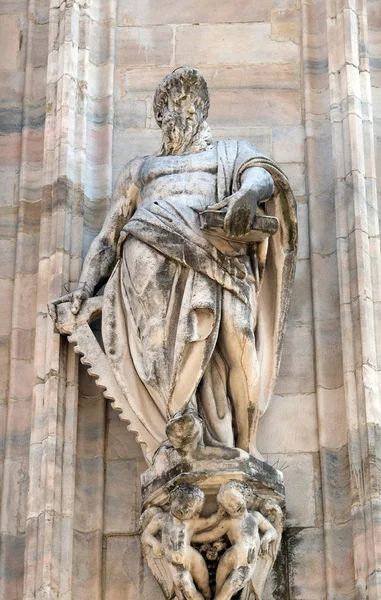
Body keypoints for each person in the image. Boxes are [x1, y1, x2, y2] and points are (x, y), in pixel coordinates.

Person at [52, 67, 297, 463]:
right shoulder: (140, 168)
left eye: (187, 107)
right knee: (166, 353)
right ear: (159, 117)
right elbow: (110, 235)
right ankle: (180, 429)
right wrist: (85, 289)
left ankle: (246, 444)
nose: (177, 118)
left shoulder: (229, 153)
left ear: (202, 110)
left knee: (238, 339)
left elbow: (263, 175)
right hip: (148, 272)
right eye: (168, 110)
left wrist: (248, 196)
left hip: (219, 258)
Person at [192, 481, 278, 600]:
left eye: (235, 501)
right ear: (225, 510)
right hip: (228, 557)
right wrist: (190, 537)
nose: (234, 506)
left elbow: (272, 531)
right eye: (229, 506)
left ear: (244, 495)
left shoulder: (255, 516)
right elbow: (211, 535)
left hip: (246, 561)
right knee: (219, 591)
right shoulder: (229, 521)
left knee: (227, 591)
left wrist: (265, 540)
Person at [141, 484, 225, 600]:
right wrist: (155, 543)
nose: (184, 509)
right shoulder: (161, 519)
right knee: (189, 592)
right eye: (181, 503)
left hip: (194, 559)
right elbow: (145, 535)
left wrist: (220, 512)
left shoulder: (190, 523)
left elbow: (209, 521)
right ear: (172, 500)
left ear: (195, 511)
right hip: (176, 564)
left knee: (204, 587)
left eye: (190, 508)